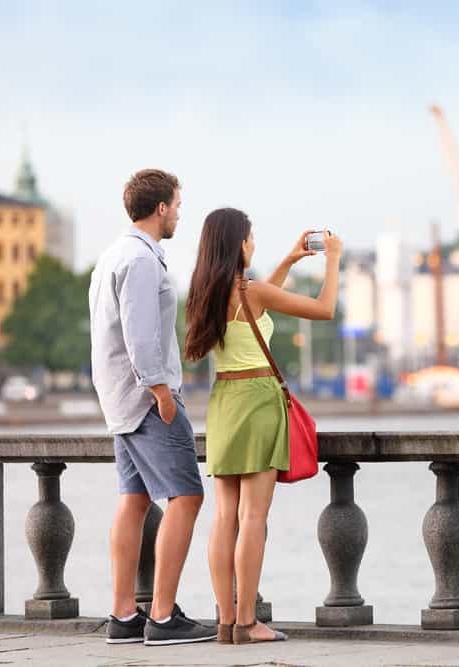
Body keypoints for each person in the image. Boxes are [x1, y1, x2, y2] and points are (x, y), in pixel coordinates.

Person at [183, 208, 341, 644]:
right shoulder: (250, 291)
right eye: (250, 239)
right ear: (239, 245)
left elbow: (258, 305)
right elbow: (324, 309)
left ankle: (226, 621)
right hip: (257, 400)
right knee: (253, 516)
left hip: (224, 403)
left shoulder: (204, 293)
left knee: (225, 518)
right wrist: (332, 259)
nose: (253, 245)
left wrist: (289, 261)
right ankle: (249, 622)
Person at [88, 169, 216, 646]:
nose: (180, 213)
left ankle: (124, 615)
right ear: (160, 207)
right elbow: (140, 334)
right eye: (178, 205)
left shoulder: (110, 258)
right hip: (147, 400)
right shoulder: (142, 261)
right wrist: (160, 391)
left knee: (134, 500)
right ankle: (161, 616)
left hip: (120, 401)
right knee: (187, 496)